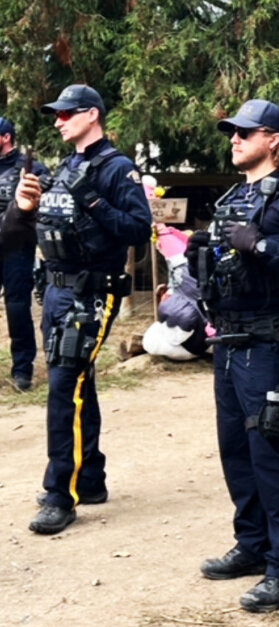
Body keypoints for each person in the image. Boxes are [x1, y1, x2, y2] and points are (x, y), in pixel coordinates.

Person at [190, 99, 279, 612]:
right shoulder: (235, 194)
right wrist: (202, 253)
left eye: (245, 132)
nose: (234, 139)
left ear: (274, 140)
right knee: (236, 451)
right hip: (229, 341)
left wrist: (261, 246)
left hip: (270, 344)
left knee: (271, 456)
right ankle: (252, 544)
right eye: (232, 131)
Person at [26, 85, 151, 535]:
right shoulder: (66, 166)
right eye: (56, 115)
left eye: (67, 114)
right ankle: (89, 478)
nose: (58, 121)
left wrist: (93, 199)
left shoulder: (117, 168)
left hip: (93, 291)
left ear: (92, 115)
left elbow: (138, 229)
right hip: (56, 289)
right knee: (79, 381)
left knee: (64, 387)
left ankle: (61, 494)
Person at [0, 117, 48, 392]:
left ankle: (22, 370)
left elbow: (47, 198)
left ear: (5, 137)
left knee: (17, 309)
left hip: (17, 249)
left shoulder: (30, 168)